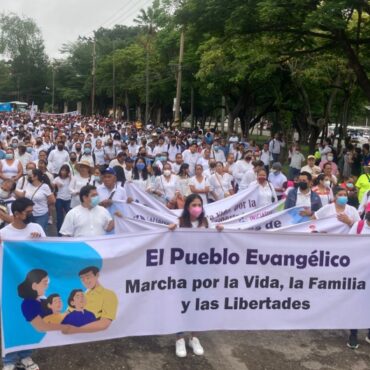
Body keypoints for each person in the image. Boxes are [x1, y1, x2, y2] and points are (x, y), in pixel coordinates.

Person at [1, 198, 65, 370]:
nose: (32, 215)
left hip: (35, 288)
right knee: (12, 319)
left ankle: (26, 355)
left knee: (32, 320)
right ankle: (9, 359)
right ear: (16, 214)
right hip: (11, 286)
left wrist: (39, 242)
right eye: (28, 212)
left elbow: (45, 253)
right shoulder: (4, 234)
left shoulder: (36, 228)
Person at [168, 194, 222, 358]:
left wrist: (219, 232)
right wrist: (169, 231)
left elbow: (215, 244)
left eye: (199, 204)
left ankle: (194, 337)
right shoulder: (179, 222)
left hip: (201, 269)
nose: (197, 207)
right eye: (193, 204)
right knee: (181, 303)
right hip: (182, 270)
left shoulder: (206, 223)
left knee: (198, 303)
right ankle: (179, 338)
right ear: (187, 207)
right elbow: (168, 244)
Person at [62, 266, 118, 334]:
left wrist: (75, 330)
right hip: (74, 337)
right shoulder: (81, 295)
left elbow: (104, 324)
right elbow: (66, 313)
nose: (85, 281)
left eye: (88, 277)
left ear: (97, 275)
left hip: (95, 336)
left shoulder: (109, 295)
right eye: (82, 279)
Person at [53, 164, 72, 234]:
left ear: (68, 172)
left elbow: (73, 181)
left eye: (65, 171)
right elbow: (51, 185)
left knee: (70, 216)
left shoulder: (70, 178)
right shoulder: (57, 178)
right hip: (59, 199)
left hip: (68, 199)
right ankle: (59, 233)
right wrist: (56, 185)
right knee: (59, 217)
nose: (63, 172)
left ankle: (69, 231)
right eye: (62, 170)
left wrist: (70, 176)